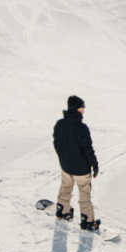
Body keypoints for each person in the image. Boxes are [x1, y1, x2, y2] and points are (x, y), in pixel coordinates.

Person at [52, 95, 100, 231]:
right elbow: (88, 150)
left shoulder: (59, 124)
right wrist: (94, 165)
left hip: (66, 166)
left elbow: (57, 144)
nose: (83, 111)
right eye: (81, 108)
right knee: (84, 194)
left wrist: (63, 158)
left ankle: (62, 210)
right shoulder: (82, 128)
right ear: (75, 108)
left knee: (65, 188)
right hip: (81, 170)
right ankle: (87, 220)